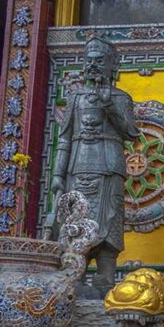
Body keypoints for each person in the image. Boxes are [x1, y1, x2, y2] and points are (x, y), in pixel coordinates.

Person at [51, 37, 138, 294]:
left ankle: (105, 280)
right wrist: (57, 173)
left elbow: (131, 132)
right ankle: (74, 278)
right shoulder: (75, 97)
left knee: (109, 220)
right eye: (89, 61)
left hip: (109, 168)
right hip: (77, 168)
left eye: (99, 61)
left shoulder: (121, 98)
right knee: (75, 222)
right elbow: (64, 137)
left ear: (113, 65)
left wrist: (108, 104)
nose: (93, 66)